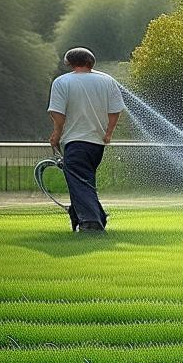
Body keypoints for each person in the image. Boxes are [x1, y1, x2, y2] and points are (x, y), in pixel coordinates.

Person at [47, 47, 125, 232]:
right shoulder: (107, 80)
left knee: (79, 180)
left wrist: (56, 134)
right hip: (97, 144)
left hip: (75, 140)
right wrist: (108, 133)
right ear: (91, 62)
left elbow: (58, 113)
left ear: (70, 63)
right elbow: (115, 111)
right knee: (83, 180)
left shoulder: (62, 81)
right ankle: (86, 217)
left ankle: (91, 223)